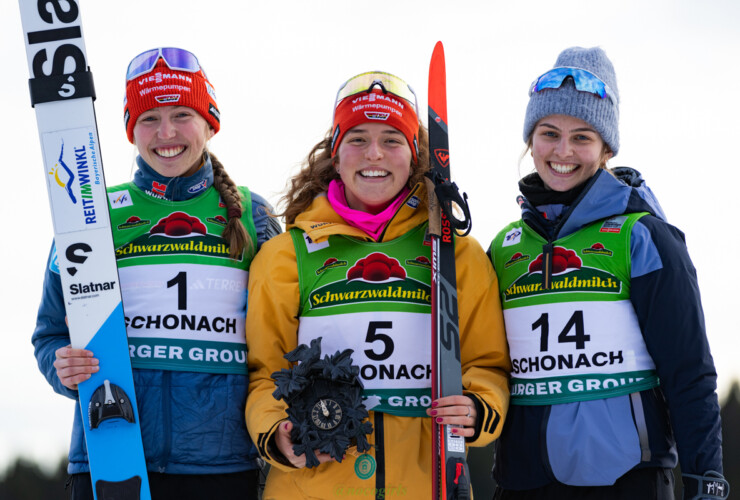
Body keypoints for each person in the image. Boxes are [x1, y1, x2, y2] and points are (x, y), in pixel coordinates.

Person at [244, 71, 510, 498]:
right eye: (357, 138)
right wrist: (276, 432)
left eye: (391, 139)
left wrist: (478, 408)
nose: (374, 155)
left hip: (429, 483)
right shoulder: (285, 255)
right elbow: (264, 375)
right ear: (335, 152)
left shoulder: (456, 252)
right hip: (312, 486)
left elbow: (487, 365)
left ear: (413, 153)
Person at [32, 47, 281, 500]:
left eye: (181, 114)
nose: (165, 133)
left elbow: (284, 333)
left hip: (219, 464)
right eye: (149, 119)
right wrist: (60, 365)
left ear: (210, 122)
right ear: (131, 131)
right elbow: (49, 332)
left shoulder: (253, 215)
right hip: (112, 453)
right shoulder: (93, 214)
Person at [489, 47, 728, 499]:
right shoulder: (504, 247)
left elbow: (689, 371)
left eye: (582, 137)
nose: (563, 151)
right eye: (549, 133)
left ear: (606, 148)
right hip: (524, 482)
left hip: (625, 480)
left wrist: (706, 479)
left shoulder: (643, 237)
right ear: (530, 140)